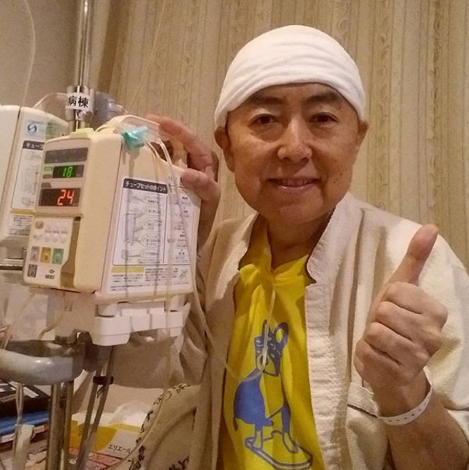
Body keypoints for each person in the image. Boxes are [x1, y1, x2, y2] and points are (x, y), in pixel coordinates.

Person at [118, 25, 469, 470]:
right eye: (265, 120)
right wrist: (174, 237)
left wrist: (404, 392)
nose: (294, 148)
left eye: (322, 118)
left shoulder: (412, 263)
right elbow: (142, 366)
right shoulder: (220, 249)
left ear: (356, 138)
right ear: (227, 146)